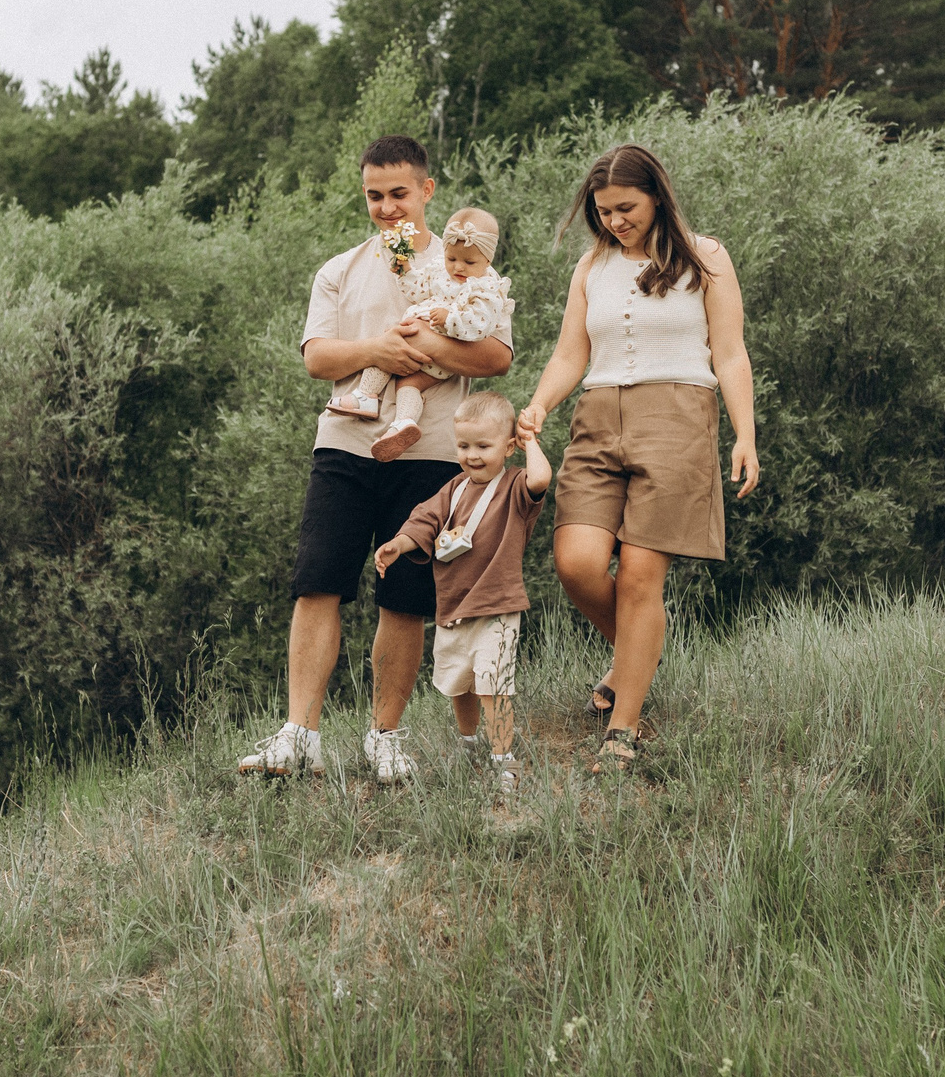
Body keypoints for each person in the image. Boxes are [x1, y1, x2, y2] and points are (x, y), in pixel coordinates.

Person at [241, 135, 515, 782]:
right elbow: (316, 358)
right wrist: (379, 352)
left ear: (427, 190)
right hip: (344, 441)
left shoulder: (464, 269)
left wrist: (427, 355)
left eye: (399, 193)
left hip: (434, 449)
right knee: (318, 580)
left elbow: (498, 355)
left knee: (406, 597)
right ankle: (299, 733)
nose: (387, 207)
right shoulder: (338, 270)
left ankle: (383, 736)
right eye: (374, 195)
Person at [516, 144, 758, 773]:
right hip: (597, 419)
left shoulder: (706, 258)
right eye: (603, 211)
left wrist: (745, 434)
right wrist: (539, 405)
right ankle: (641, 650)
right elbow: (572, 353)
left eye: (626, 208)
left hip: (678, 419)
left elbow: (730, 353)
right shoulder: (591, 265)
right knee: (575, 564)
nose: (615, 221)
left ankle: (622, 731)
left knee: (645, 578)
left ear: (657, 197)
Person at [372, 390, 550, 792]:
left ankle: (504, 759)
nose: (472, 455)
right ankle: (470, 742)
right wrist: (398, 544)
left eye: (483, 446)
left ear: (507, 447)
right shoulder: (452, 489)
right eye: (464, 445)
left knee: (493, 684)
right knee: (460, 681)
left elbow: (541, 479)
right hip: (453, 606)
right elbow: (424, 521)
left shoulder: (514, 488)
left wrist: (531, 440)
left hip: (497, 605)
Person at [325, 207, 516, 464]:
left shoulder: (486, 288)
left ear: (487, 260)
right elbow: (419, 288)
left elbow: (480, 324)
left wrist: (450, 320)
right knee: (406, 381)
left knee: (396, 344)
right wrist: (405, 270)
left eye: (469, 262)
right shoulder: (441, 270)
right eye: (452, 259)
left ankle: (367, 397)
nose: (458, 267)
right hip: (421, 342)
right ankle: (403, 423)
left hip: (445, 348)